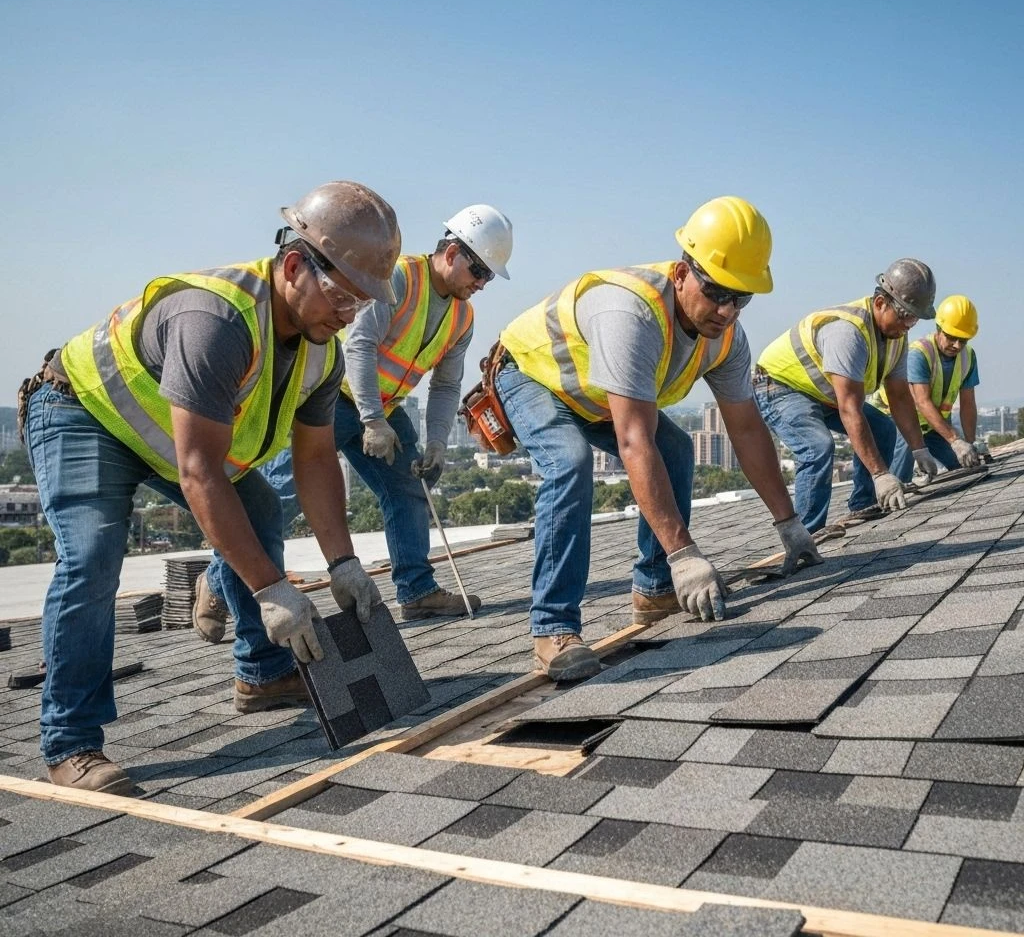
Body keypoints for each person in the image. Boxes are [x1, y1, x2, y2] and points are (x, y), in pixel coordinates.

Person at [19, 180, 400, 795]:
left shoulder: (321, 352)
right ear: (297, 265)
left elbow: (316, 460)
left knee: (258, 509)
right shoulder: (216, 321)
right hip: (83, 413)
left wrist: (344, 564)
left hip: (170, 435)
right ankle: (72, 743)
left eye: (363, 305)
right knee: (92, 556)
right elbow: (200, 473)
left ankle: (262, 672)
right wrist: (272, 589)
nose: (348, 314)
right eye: (342, 296)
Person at [493, 196, 821, 682]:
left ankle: (653, 589)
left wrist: (788, 524)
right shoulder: (632, 313)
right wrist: (685, 553)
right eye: (717, 292)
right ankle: (554, 630)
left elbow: (748, 429)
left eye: (741, 298)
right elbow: (632, 442)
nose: (727, 311)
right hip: (534, 377)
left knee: (678, 448)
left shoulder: (726, 337)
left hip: (597, 393)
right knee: (569, 461)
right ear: (684, 271)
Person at [194, 204, 513, 641]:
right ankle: (215, 579)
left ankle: (417, 591)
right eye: (478, 270)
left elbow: (445, 385)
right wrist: (372, 421)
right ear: (453, 251)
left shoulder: (462, 316)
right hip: (333, 398)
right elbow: (360, 346)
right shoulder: (399, 279)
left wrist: (437, 441)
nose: (480, 283)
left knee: (407, 486)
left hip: (385, 408)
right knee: (279, 498)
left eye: (488, 277)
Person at [754, 258, 941, 534]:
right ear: (880, 303)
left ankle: (864, 504)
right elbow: (850, 409)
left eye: (915, 317)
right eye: (905, 315)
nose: (909, 324)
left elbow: (900, 397)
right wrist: (880, 474)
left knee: (883, 428)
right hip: (779, 386)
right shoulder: (848, 332)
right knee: (817, 446)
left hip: (822, 393)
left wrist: (918, 448)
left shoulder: (896, 337)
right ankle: (807, 534)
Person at [879, 294, 983, 480]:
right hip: (899, 419)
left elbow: (968, 403)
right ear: (938, 328)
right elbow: (922, 401)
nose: (957, 345)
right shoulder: (919, 354)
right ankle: (895, 490)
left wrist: (969, 443)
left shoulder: (968, 357)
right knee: (901, 479)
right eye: (951, 338)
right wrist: (954, 440)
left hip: (932, 426)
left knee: (964, 465)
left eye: (963, 340)